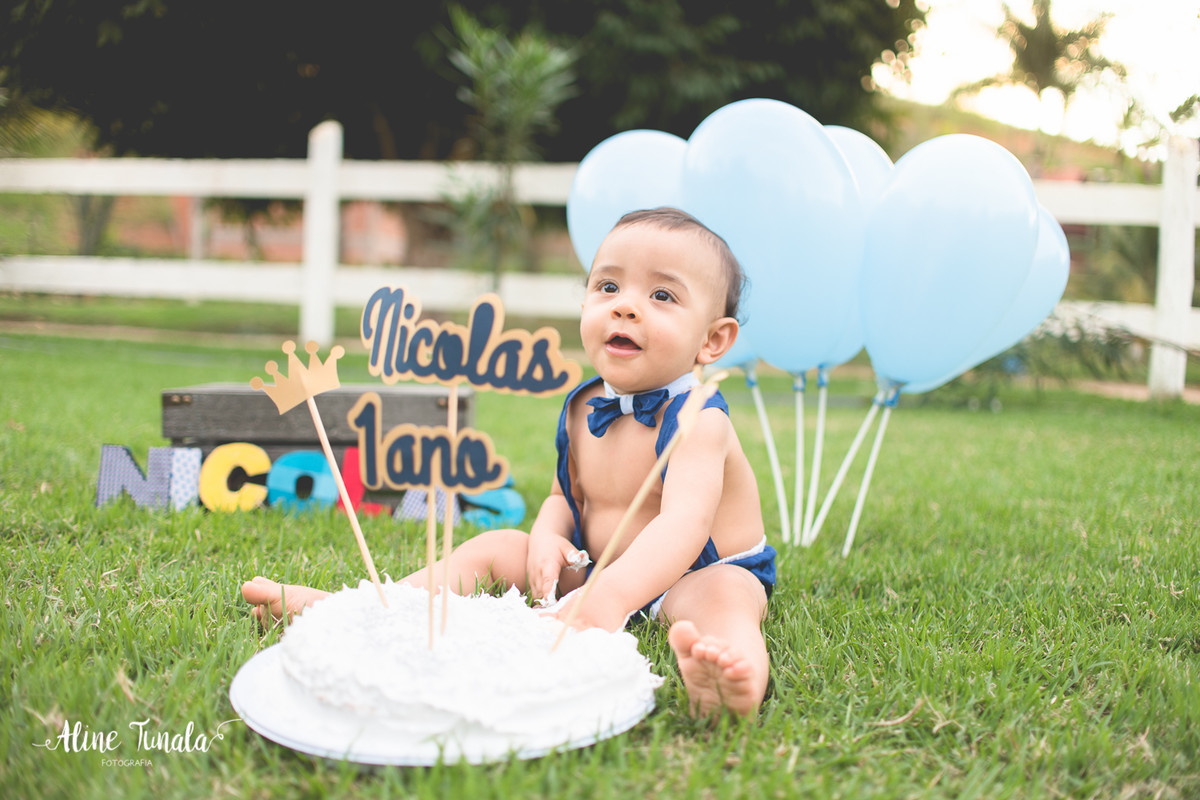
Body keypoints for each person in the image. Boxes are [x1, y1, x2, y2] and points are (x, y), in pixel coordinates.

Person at [242, 207, 776, 717]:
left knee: (727, 600)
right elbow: (564, 497)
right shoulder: (582, 407)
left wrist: (606, 601)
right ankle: (364, 610)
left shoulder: (700, 420)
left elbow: (684, 526)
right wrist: (548, 537)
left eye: (661, 295)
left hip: (695, 571)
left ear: (713, 340)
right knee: (501, 546)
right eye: (608, 287)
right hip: (596, 566)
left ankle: (732, 675)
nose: (625, 305)